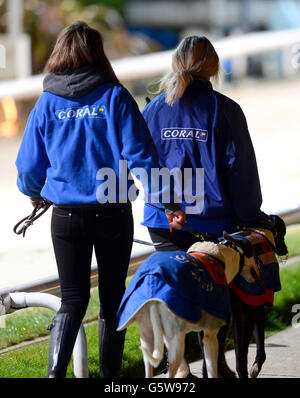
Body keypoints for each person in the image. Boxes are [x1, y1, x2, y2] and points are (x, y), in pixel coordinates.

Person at [15, 21, 185, 378]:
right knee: (112, 297)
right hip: (111, 215)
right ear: (98, 53)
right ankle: (111, 380)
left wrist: (35, 193)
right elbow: (142, 158)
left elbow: (29, 166)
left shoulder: (47, 102)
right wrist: (169, 202)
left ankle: (54, 375)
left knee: (72, 300)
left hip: (65, 218)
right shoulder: (115, 97)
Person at [141, 35, 269, 378]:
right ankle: (219, 364)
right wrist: (251, 216)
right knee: (217, 292)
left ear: (176, 64)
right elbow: (239, 171)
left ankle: (179, 365)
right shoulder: (225, 110)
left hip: (163, 222)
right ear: (213, 68)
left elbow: (139, 165)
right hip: (214, 223)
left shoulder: (152, 110)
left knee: (174, 289)